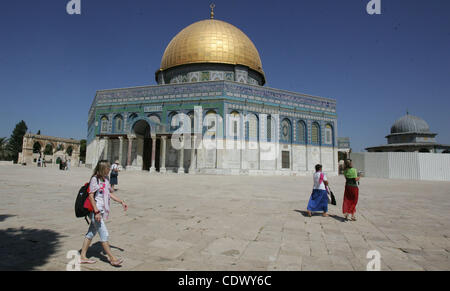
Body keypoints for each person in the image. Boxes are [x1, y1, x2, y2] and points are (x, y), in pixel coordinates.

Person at [79, 160, 128, 266]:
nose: (109, 169)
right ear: (103, 168)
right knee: (104, 234)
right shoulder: (94, 179)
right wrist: (96, 211)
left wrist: (121, 201)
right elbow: (91, 196)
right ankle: (113, 259)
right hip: (95, 211)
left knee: (91, 233)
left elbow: (109, 194)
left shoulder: (106, 179)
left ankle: (82, 256)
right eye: (108, 167)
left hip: (100, 211)